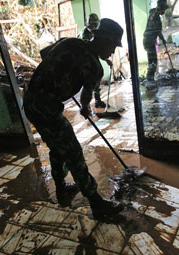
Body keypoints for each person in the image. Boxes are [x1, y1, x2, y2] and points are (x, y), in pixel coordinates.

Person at [24, 18, 125, 218]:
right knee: (73, 152)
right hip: (46, 107)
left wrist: (61, 73)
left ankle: (61, 187)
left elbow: (45, 54)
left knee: (57, 146)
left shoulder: (70, 42)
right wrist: (85, 108)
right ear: (104, 40)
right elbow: (87, 99)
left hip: (31, 101)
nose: (112, 52)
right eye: (113, 46)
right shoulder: (95, 67)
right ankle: (97, 204)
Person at [80, 13, 107, 108]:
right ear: (88, 24)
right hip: (84, 61)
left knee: (97, 80)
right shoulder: (84, 34)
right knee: (88, 83)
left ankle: (97, 101)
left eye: (96, 24)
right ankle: (85, 105)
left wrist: (106, 59)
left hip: (93, 59)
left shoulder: (95, 32)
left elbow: (97, 48)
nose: (94, 26)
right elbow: (87, 50)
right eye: (93, 24)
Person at [143, 0, 169, 86]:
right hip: (149, 41)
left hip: (147, 40)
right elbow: (158, 31)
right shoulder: (156, 17)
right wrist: (163, 40)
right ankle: (150, 80)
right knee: (153, 61)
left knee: (152, 60)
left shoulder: (152, 12)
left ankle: (150, 78)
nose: (164, 12)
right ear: (161, 9)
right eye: (163, 10)